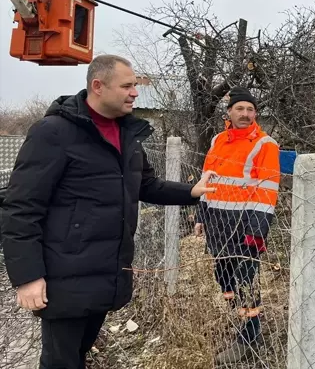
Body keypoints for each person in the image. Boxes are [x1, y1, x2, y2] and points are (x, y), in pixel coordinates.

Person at [0, 54, 215, 369]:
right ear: (97, 86)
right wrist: (28, 276)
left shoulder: (127, 135)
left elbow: (147, 185)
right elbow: (21, 208)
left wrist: (191, 191)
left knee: (78, 355)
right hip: (63, 276)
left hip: (107, 273)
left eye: (135, 86)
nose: (135, 92)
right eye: (127, 86)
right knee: (60, 362)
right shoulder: (54, 133)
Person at [195, 86, 280, 365]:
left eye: (250, 109)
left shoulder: (265, 145)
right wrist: (200, 216)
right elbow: (208, 181)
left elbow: (267, 192)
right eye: (240, 108)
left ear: (256, 113)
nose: (245, 114)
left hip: (245, 228)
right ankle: (236, 317)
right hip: (217, 223)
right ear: (229, 112)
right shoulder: (218, 139)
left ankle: (248, 338)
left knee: (246, 283)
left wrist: (256, 232)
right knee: (224, 278)